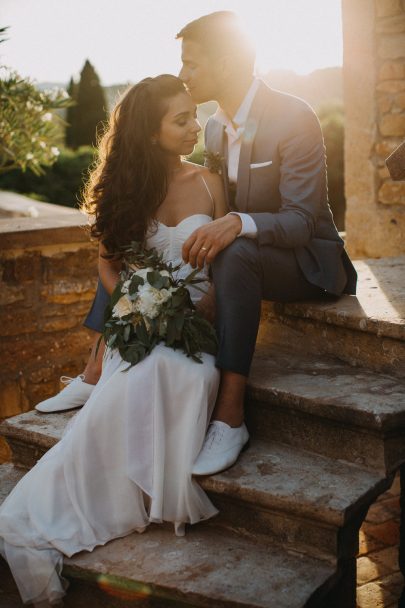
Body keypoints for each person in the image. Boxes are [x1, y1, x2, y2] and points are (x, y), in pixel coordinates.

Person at [36, 11, 357, 477]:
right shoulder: (212, 128)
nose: (184, 75)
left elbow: (302, 222)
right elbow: (205, 209)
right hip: (242, 254)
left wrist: (236, 223)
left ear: (225, 63)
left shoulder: (294, 116)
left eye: (191, 64)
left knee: (235, 250)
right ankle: (95, 367)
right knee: (145, 251)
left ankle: (230, 415)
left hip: (307, 262)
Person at [0, 74, 228, 606]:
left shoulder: (214, 183)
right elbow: (108, 264)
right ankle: (70, 501)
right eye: (181, 120)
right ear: (151, 132)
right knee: (145, 371)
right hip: (141, 321)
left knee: (192, 373)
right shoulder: (128, 187)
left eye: (194, 115)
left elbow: (228, 266)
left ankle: (131, 478)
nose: (195, 126)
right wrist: (135, 302)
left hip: (199, 324)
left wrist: (203, 306)